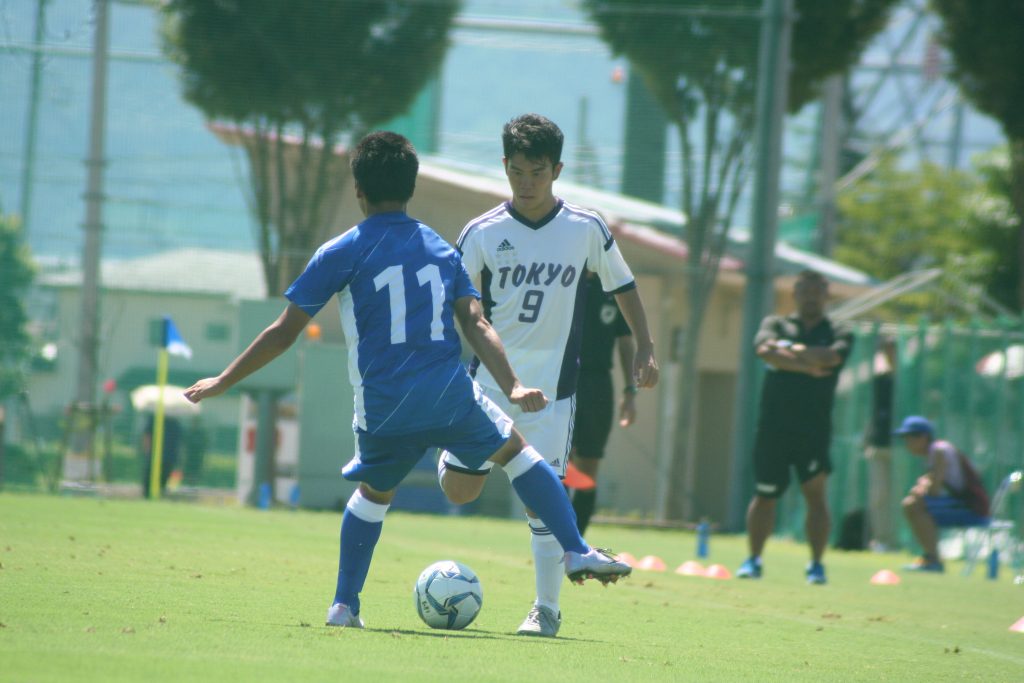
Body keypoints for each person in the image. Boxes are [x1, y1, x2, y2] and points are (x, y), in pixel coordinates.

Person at [183, 131, 631, 629]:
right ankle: (574, 549)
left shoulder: (342, 250)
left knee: (374, 495)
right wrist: (513, 385)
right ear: (411, 187)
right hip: (448, 395)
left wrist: (224, 379)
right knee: (518, 453)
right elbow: (476, 323)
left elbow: (283, 331)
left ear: (359, 189)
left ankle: (344, 606)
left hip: (383, 406)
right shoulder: (441, 249)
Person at [437, 114, 659, 637]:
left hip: (555, 393)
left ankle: (547, 610)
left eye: (538, 171)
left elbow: (623, 287)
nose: (527, 182)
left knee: (543, 501)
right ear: (505, 167)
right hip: (487, 387)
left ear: (556, 169)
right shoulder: (481, 233)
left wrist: (646, 346)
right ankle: (561, 537)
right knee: (458, 490)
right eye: (517, 171)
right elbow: (462, 311)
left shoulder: (586, 228)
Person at [736, 269, 853, 585]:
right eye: (805, 290)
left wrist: (787, 352)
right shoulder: (775, 323)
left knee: (815, 495)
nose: (811, 296)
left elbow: (830, 356)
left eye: (817, 290)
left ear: (826, 295)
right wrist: (806, 363)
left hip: (813, 428)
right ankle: (754, 560)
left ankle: (816, 565)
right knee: (765, 494)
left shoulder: (838, 329)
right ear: (795, 293)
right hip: (773, 425)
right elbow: (763, 350)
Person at [566, 273, 637, 534]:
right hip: (562, 378)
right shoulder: (564, 276)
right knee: (558, 460)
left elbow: (625, 339)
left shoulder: (613, 285)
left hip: (598, 384)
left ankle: (577, 541)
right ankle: (552, 537)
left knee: (589, 464)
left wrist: (630, 391)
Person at [895, 415, 990, 573]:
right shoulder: (934, 452)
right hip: (962, 504)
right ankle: (931, 557)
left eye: (909, 437)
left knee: (912, 505)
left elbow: (934, 491)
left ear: (923, 437)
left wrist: (922, 487)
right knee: (911, 504)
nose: (907, 443)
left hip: (972, 508)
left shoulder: (939, 450)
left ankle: (933, 559)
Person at [864, 336, 897, 551]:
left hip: (903, 446)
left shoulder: (911, 379)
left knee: (899, 496)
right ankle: (881, 539)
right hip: (880, 444)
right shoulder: (880, 379)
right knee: (879, 496)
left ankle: (896, 540)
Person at [140, 413, 182, 498]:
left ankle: (159, 493)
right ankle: (146, 495)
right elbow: (147, 435)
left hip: (169, 455)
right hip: (154, 454)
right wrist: (147, 449)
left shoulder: (175, 423)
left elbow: (179, 441)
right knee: (149, 475)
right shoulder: (153, 419)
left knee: (164, 476)